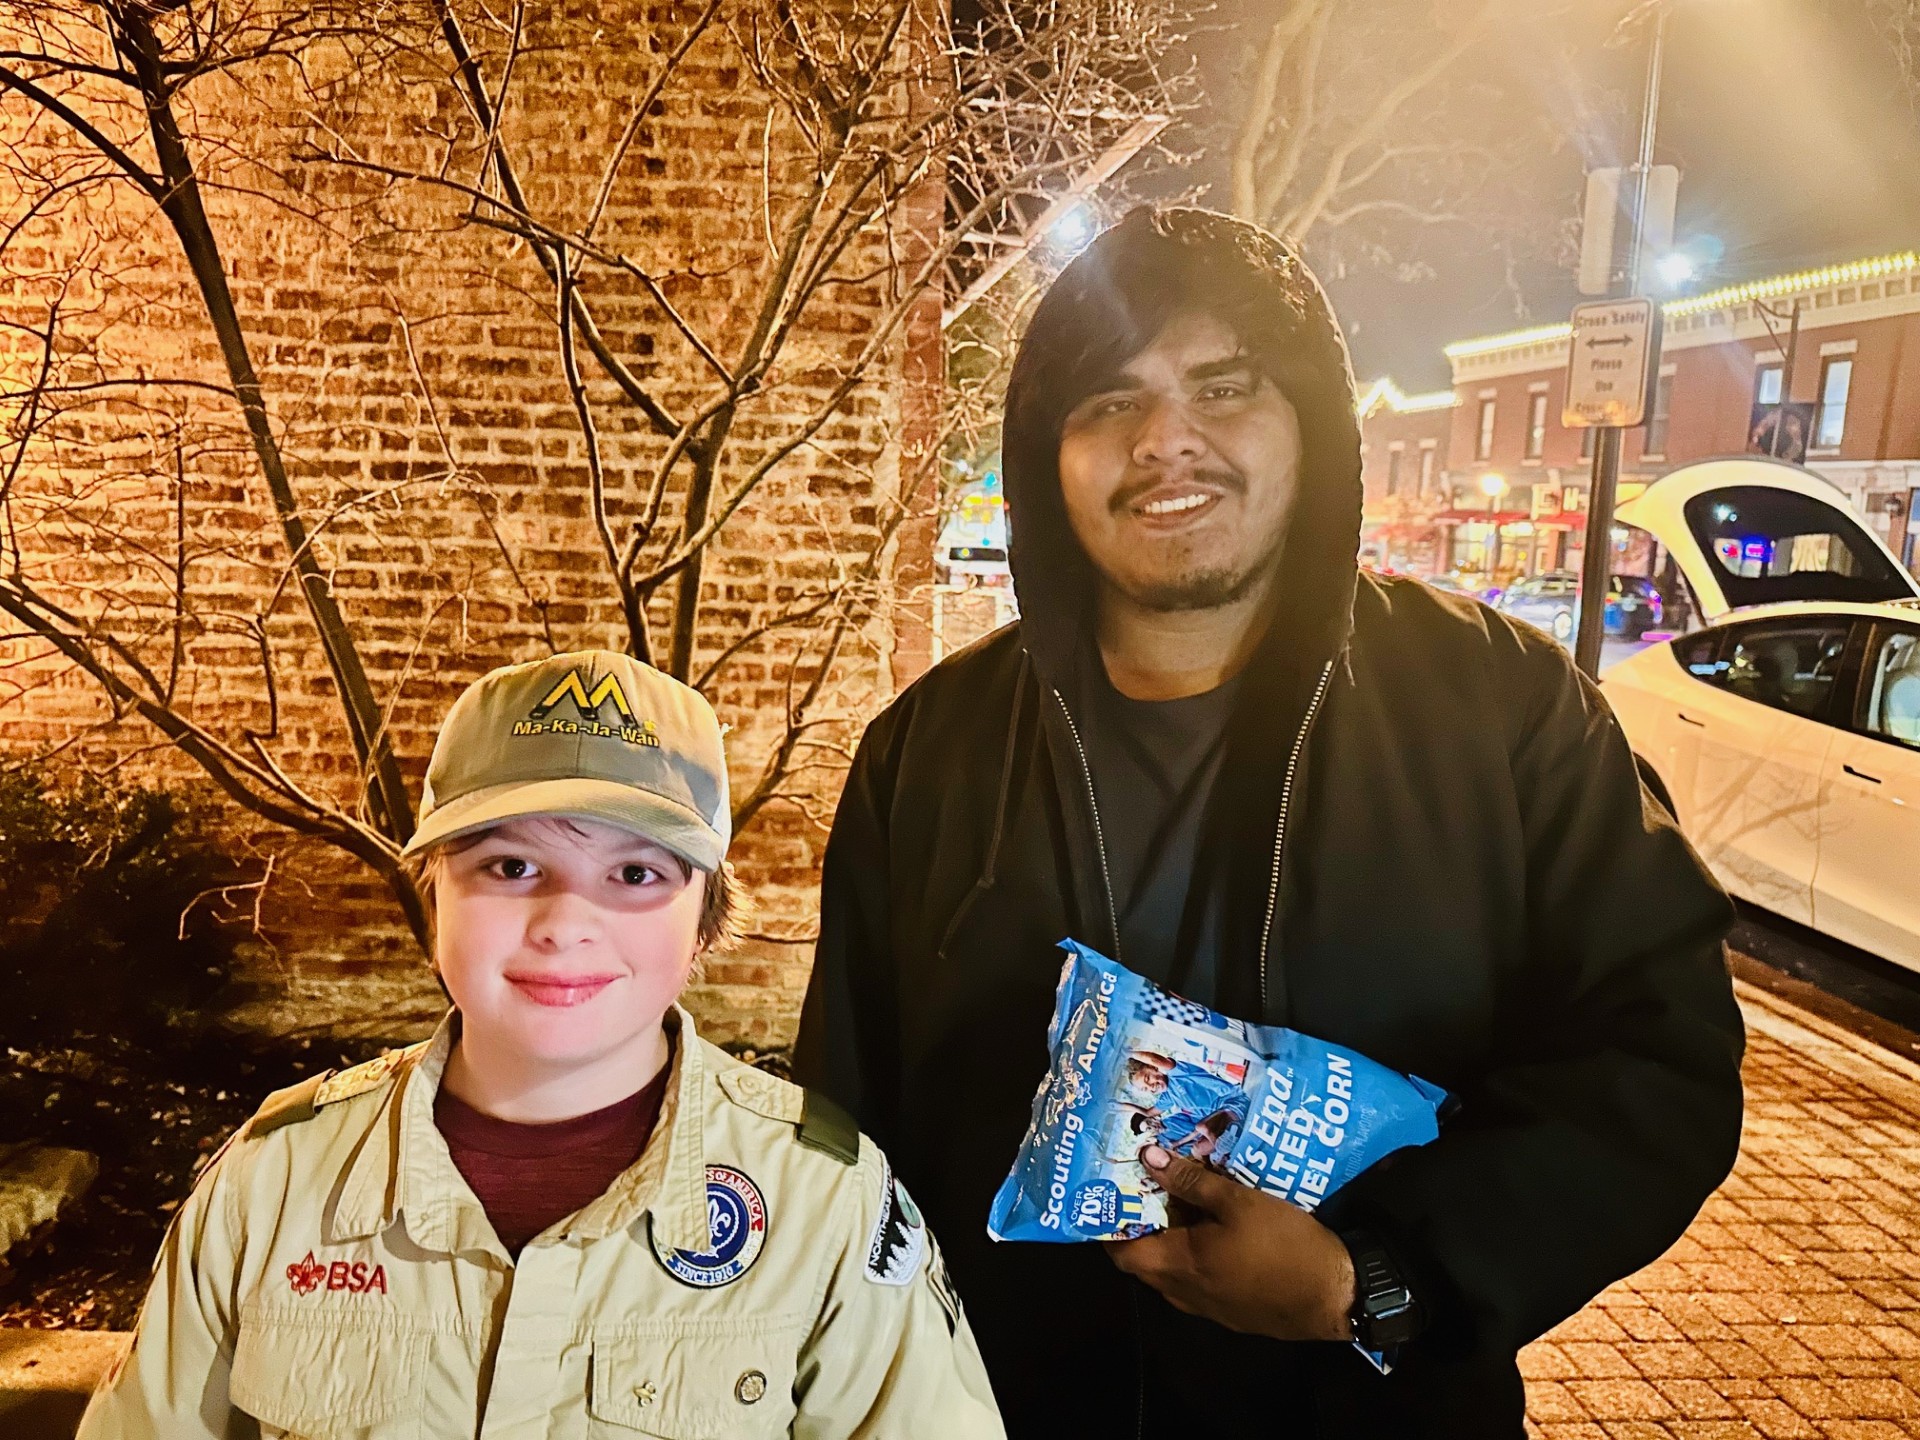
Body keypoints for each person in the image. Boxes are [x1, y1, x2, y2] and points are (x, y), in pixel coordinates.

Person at [796, 208, 1745, 1435]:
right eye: (1106, 402)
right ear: (1046, 453)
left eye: (1222, 384)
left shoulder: (1500, 710)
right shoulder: (927, 753)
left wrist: (1379, 1281)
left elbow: (1657, 1064)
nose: (1164, 441)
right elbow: (846, 1127)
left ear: (1309, 420)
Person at [81, 650, 1004, 1440]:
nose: (566, 923)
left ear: (703, 920)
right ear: (435, 891)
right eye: (511, 866)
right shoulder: (275, 1181)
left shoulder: (824, 1204)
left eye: (636, 872)